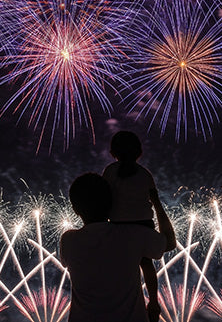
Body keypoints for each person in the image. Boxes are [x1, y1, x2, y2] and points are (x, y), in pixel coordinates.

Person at [59, 173, 176, 322]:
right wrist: (156, 202)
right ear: (112, 203)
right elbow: (170, 242)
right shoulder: (133, 235)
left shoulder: (69, 240)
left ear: (75, 209)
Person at [102, 130, 176, 322]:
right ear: (138, 152)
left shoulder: (110, 172)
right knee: (146, 264)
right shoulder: (145, 174)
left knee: (119, 267)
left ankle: (117, 301)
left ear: (113, 152)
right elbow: (153, 198)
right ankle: (152, 301)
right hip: (143, 224)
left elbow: (104, 198)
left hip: (117, 224)